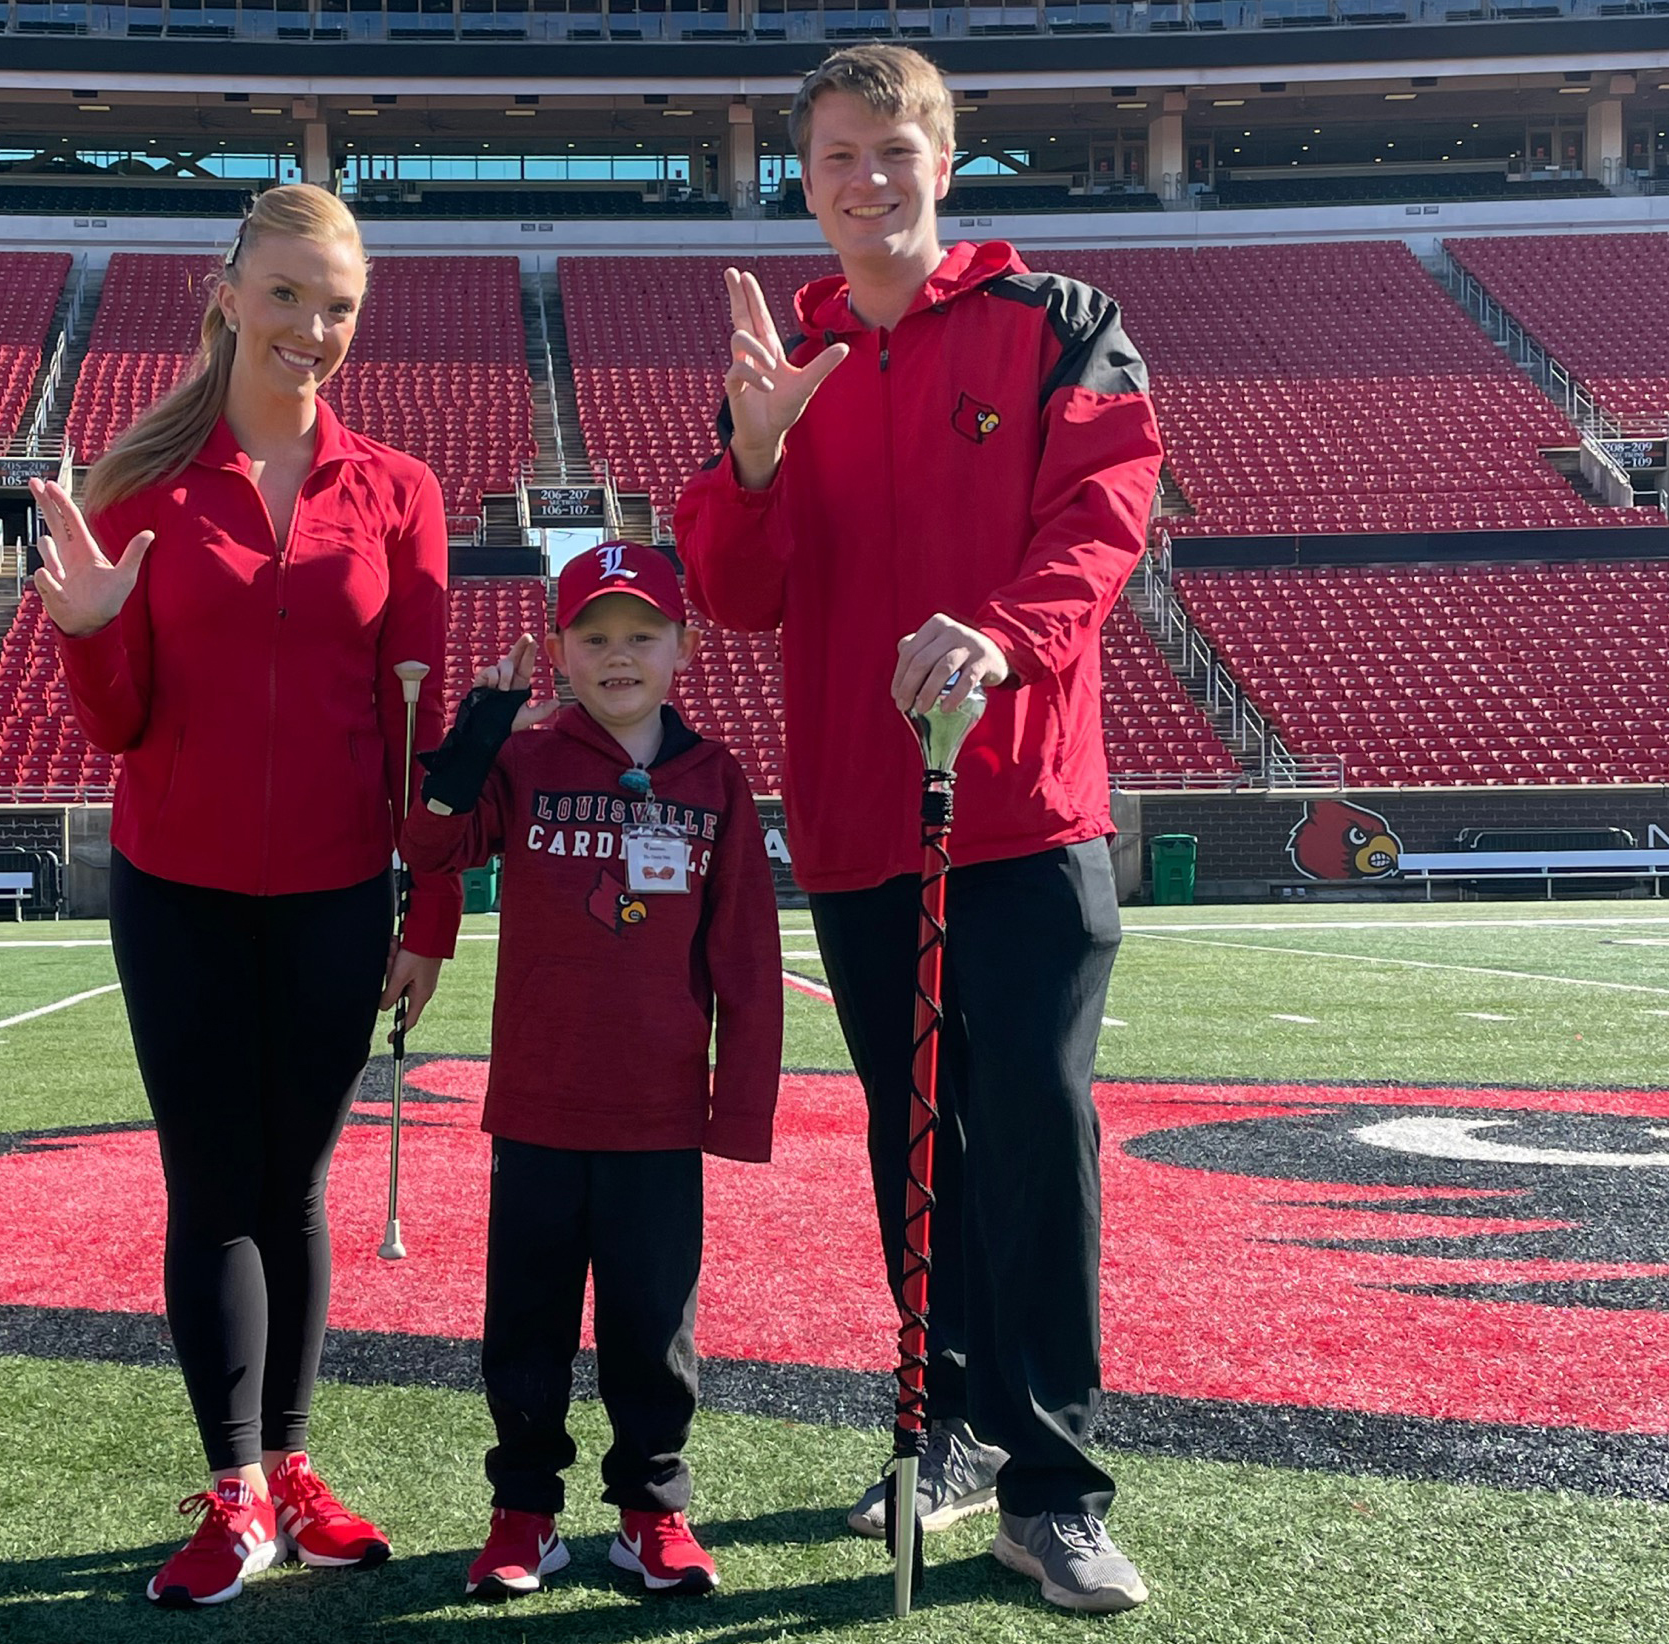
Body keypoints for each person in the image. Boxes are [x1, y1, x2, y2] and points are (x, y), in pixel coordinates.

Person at [673, 44, 1163, 1616]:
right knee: (914, 1132)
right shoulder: (784, 368)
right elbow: (734, 596)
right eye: (834, 159)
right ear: (801, 181)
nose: (864, 181)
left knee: (1033, 1127)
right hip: (856, 819)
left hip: (1017, 804)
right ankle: (939, 1427)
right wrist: (749, 453)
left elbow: (1100, 521)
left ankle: (1055, 1483)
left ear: (944, 161)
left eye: (891, 150)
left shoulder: (1054, 323)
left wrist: (1000, 636)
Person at [33, 183, 461, 1609]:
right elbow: (118, 723)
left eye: (337, 305)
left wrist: (429, 917)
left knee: (294, 1188)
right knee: (215, 1188)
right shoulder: (140, 488)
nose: (312, 329)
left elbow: (419, 730)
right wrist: (91, 634)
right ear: (226, 295)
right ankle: (232, 1492)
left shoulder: (401, 493)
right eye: (285, 295)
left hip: (340, 896)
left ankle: (288, 1465)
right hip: (178, 893)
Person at [400, 542, 782, 1602]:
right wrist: (480, 730)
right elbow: (429, 849)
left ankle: (652, 1514)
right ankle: (523, 1513)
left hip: (658, 1114)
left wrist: (735, 1108)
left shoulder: (716, 779)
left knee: (653, 1332)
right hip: (539, 1103)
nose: (620, 657)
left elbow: (745, 955)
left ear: (684, 648)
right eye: (595, 637)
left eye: (642, 636)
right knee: (525, 1325)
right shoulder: (526, 760)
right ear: (560, 652)